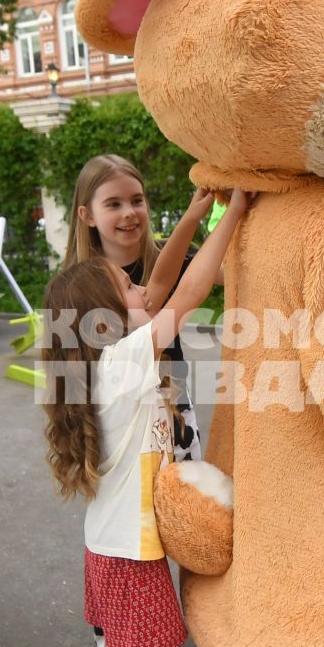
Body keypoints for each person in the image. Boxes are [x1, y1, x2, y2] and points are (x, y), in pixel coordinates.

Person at [40, 189, 250, 647]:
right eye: (125, 287)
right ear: (105, 320)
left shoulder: (104, 366)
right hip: (131, 556)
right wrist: (235, 212)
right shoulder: (125, 363)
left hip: (108, 548)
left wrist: (206, 215)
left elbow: (168, 287)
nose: (138, 287)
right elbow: (186, 292)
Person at [64, 154, 214, 462]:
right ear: (87, 214)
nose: (130, 213)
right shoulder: (81, 288)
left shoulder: (175, 256)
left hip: (176, 413)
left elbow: (238, 268)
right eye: (114, 204)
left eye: (137, 200)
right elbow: (172, 291)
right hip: (125, 429)